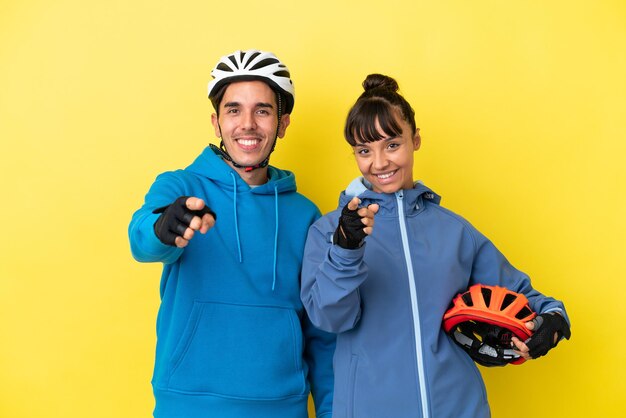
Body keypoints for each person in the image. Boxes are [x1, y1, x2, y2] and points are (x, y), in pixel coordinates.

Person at [300, 73, 571, 418]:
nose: (379, 163)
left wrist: (552, 319)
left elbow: (523, 295)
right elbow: (328, 318)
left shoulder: (454, 231)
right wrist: (345, 249)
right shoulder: (329, 231)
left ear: (415, 140)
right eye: (365, 150)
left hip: (460, 407)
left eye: (392, 144)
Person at [128, 49, 334, 418]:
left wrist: (333, 410)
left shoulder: (305, 215)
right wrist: (164, 225)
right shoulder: (179, 187)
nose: (248, 124)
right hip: (188, 404)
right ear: (216, 122)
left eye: (263, 110)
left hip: (281, 407)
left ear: (282, 124)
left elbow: (322, 334)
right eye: (234, 110)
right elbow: (142, 240)